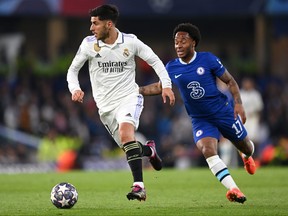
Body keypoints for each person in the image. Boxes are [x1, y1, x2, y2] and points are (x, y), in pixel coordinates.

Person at [66, 4, 175, 201]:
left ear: (109, 24)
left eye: (95, 24)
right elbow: (72, 70)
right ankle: (150, 150)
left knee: (127, 135)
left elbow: (155, 60)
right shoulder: (88, 44)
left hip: (128, 97)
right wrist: (75, 89)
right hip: (105, 107)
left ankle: (139, 187)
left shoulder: (130, 42)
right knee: (129, 145)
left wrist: (166, 85)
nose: (91, 28)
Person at [139, 23, 256, 204]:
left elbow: (230, 81)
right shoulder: (171, 67)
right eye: (176, 42)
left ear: (193, 43)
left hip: (223, 112)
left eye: (183, 41)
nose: (178, 45)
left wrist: (238, 104)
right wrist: (136, 90)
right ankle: (234, 189)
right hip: (200, 119)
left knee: (246, 146)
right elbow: (159, 87)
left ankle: (246, 156)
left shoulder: (208, 59)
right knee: (207, 149)